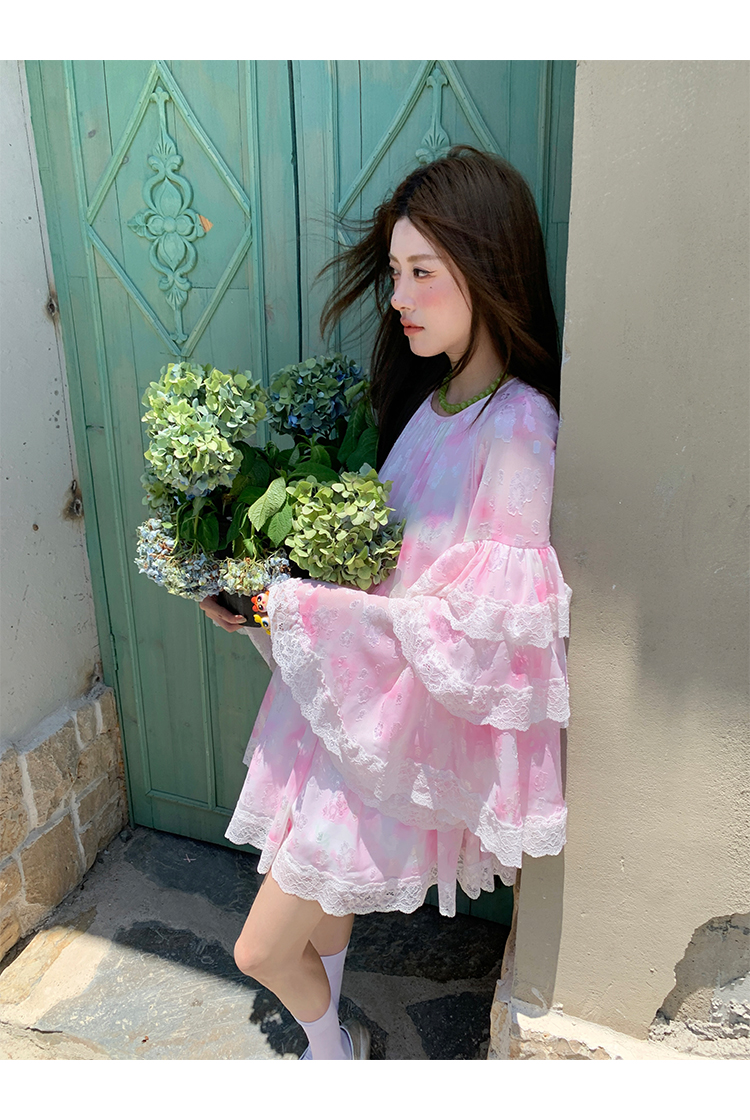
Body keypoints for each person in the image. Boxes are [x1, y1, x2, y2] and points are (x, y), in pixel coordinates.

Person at [199, 146, 571, 1060]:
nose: (399, 297)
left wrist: (289, 610)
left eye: (422, 273)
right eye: (396, 272)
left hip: (395, 732)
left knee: (259, 950)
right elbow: (385, 572)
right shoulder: (432, 406)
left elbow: (474, 633)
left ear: (487, 269)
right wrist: (269, 592)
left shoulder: (520, 425)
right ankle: (336, 1046)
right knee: (323, 912)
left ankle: (334, 1060)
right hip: (347, 718)